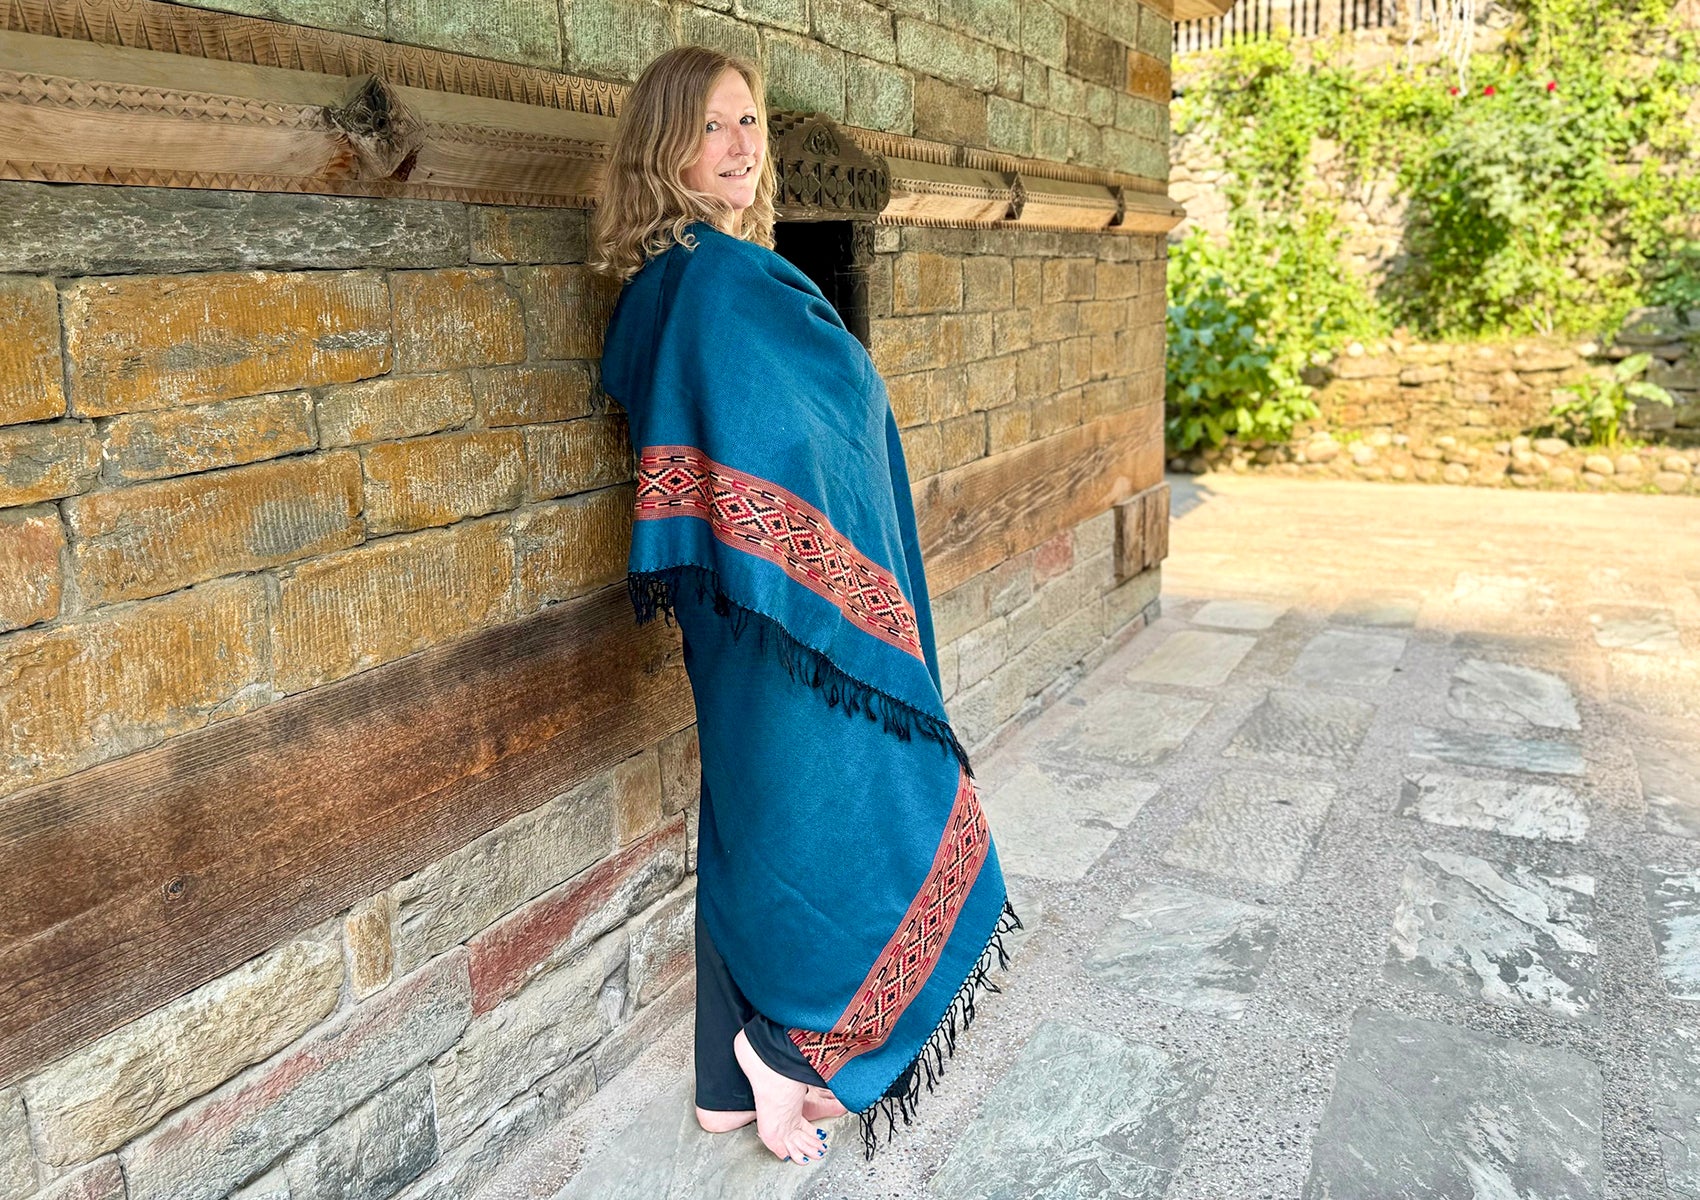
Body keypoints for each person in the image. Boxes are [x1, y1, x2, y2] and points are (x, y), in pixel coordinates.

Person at [589, 45, 1018, 1166]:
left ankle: (724, 1076)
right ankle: (788, 1052)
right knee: (832, 806)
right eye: (713, 126)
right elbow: (781, 439)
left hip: (740, 606)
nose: (742, 145)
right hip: (787, 620)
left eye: (750, 122)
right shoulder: (718, 284)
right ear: (664, 147)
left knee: (749, 815)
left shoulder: (665, 284)